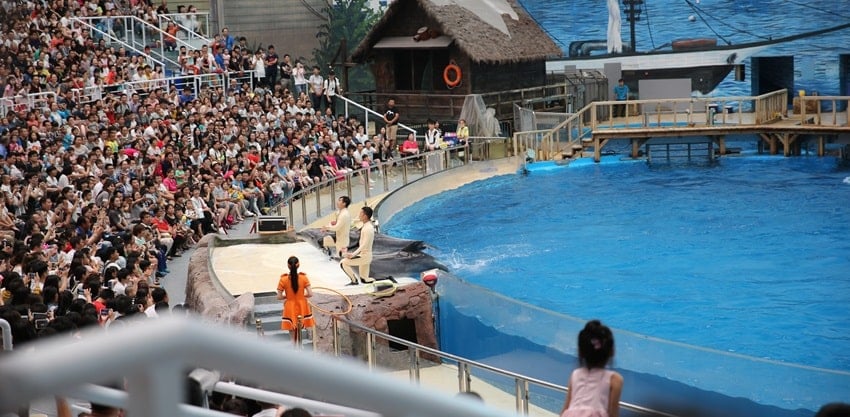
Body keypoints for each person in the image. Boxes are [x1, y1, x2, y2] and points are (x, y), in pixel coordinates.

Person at [559, 320, 623, 417]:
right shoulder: (614, 379)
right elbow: (613, 414)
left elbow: (566, 408)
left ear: (581, 351)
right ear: (611, 351)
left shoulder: (575, 374)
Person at [275, 256, 314, 344]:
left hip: (289, 306)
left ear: (288, 266)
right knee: (300, 325)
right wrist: (301, 295)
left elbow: (279, 297)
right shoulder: (304, 277)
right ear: (298, 265)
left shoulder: (283, 279)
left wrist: (287, 297)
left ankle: (294, 345)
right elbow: (310, 294)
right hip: (302, 305)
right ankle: (300, 345)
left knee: (291, 327)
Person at [340, 206, 375, 285]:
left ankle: (354, 281)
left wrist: (353, 254)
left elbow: (364, 244)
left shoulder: (368, 228)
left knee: (343, 262)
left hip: (365, 256)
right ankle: (377, 281)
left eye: (360, 213)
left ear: (365, 216)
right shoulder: (366, 226)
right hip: (364, 255)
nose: (359, 215)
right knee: (364, 279)